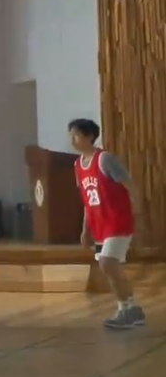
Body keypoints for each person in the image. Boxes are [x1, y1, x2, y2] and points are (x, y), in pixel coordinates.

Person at [68, 118, 144, 329]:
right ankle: (128, 309)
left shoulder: (105, 159)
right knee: (110, 268)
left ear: (90, 136)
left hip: (117, 220)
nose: (72, 140)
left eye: (76, 135)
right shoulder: (78, 165)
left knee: (107, 263)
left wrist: (137, 213)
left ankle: (129, 308)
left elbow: (130, 185)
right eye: (70, 136)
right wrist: (85, 229)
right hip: (99, 224)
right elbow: (87, 200)